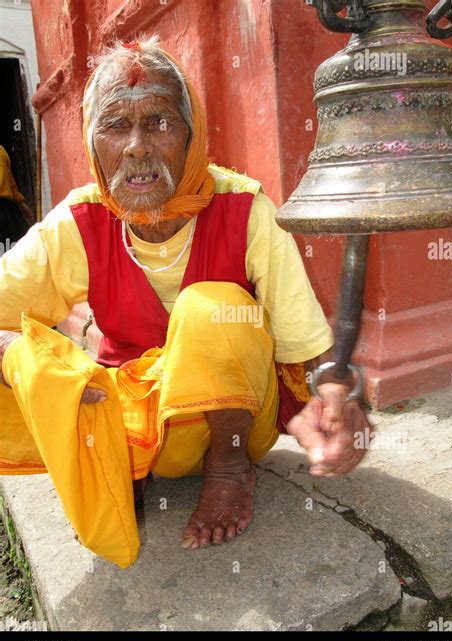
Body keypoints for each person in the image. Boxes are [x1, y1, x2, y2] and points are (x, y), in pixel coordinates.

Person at [0, 35, 372, 555]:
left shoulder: (244, 209)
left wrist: (338, 401)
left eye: (159, 122)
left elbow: (308, 347)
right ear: (92, 142)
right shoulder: (79, 223)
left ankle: (228, 469)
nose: (137, 146)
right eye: (115, 125)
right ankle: (111, 463)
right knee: (28, 363)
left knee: (208, 308)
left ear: (191, 134)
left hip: (241, 423)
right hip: (140, 426)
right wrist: (20, 357)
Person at [0, 145, 34, 249]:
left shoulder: (1, 151)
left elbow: (10, 179)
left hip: (6, 209)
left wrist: (21, 203)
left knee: (19, 247)